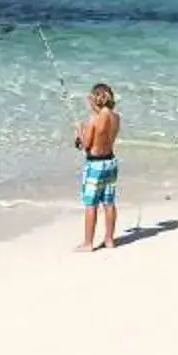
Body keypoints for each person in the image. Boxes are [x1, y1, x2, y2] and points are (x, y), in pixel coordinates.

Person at [74, 83, 121, 252]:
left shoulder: (94, 119)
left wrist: (80, 131)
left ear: (96, 99)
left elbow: (87, 145)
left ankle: (88, 243)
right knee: (109, 202)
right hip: (111, 162)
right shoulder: (116, 117)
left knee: (91, 203)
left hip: (96, 163)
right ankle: (109, 240)